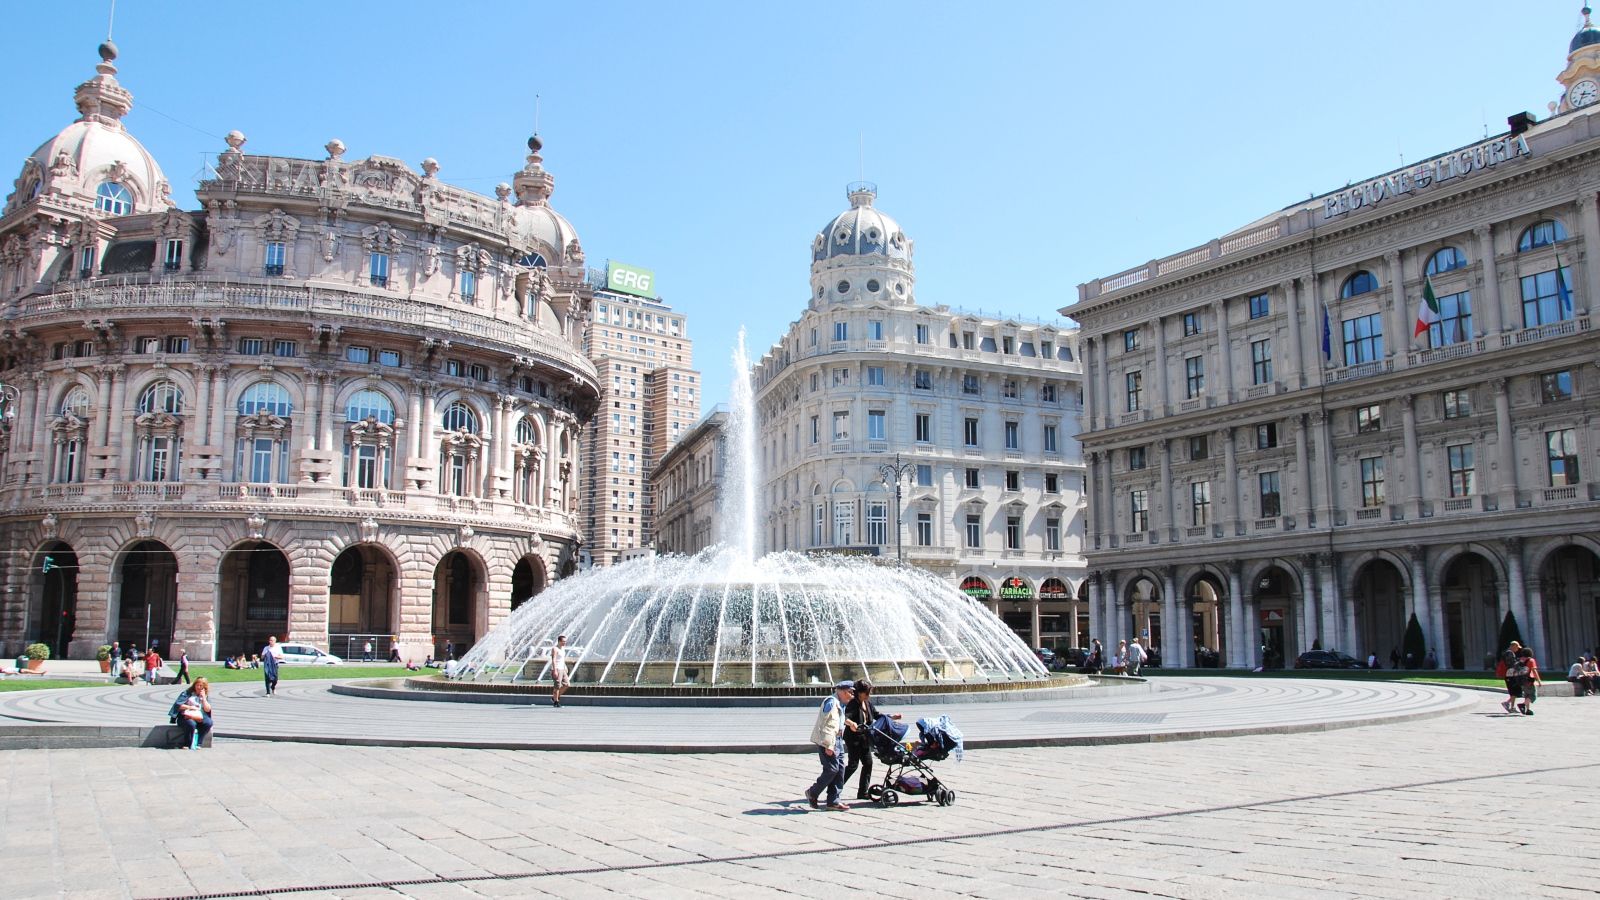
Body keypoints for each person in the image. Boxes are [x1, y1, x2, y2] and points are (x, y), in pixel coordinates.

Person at [841, 679, 901, 801]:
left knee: (868, 764)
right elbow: (845, 717)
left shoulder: (867, 704)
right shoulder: (853, 703)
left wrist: (892, 716)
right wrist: (851, 723)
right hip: (853, 738)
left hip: (864, 738)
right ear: (859, 693)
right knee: (853, 765)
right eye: (867, 693)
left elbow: (877, 715)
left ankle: (863, 792)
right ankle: (835, 788)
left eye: (869, 693)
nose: (869, 695)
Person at [805, 680, 854, 811]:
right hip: (828, 740)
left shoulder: (840, 702)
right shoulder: (832, 703)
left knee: (840, 769)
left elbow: (839, 719)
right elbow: (828, 726)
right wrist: (829, 746)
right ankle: (813, 792)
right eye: (851, 693)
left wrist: (849, 723)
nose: (852, 696)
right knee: (832, 769)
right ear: (844, 692)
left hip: (837, 739)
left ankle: (833, 801)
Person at [170, 677, 213, 750]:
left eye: (201, 686)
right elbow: (178, 705)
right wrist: (189, 707)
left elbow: (208, 709)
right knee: (191, 723)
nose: (199, 687)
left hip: (199, 715)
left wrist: (204, 699)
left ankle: (198, 743)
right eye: (197, 685)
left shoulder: (205, 696)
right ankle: (187, 743)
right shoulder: (187, 693)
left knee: (209, 722)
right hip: (186, 716)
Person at [1498, 641, 1523, 714]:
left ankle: (1512, 707)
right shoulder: (1510, 653)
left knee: (1513, 692)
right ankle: (1507, 703)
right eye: (1517, 647)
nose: (1518, 649)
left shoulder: (1505, 652)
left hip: (1508, 674)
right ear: (1514, 646)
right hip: (1511, 675)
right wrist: (1520, 662)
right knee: (1516, 691)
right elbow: (1512, 664)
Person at [1516, 647, 1542, 715]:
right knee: (1533, 695)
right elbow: (1534, 670)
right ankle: (1523, 705)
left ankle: (1528, 710)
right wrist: (1539, 680)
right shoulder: (1531, 660)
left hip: (1521, 680)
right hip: (1529, 680)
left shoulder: (1519, 660)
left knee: (1527, 695)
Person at [549, 635, 570, 707]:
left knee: (567, 684)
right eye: (563, 641)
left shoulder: (562, 649)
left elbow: (562, 659)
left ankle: (554, 697)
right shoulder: (555, 649)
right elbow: (554, 660)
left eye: (565, 641)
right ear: (559, 641)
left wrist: (565, 667)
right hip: (557, 669)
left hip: (562, 669)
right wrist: (555, 670)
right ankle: (556, 702)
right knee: (557, 686)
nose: (565, 643)